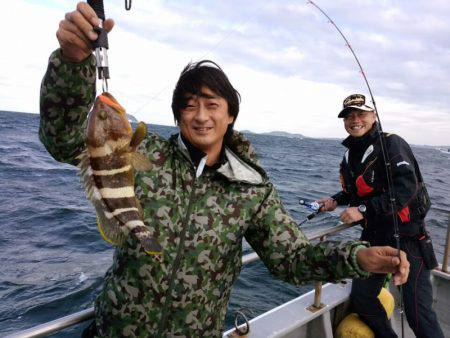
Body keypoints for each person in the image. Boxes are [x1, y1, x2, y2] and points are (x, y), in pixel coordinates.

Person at [39, 3, 409, 337]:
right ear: (178, 115)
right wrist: (72, 65)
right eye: (189, 106)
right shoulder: (142, 152)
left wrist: (357, 258)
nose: (200, 116)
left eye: (212, 104)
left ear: (230, 114)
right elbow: (65, 141)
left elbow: (291, 259)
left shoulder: (251, 187)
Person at [317, 93, 443, 338]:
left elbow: (407, 187)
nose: (355, 120)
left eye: (361, 114)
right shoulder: (350, 154)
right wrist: (335, 201)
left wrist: (363, 210)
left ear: (373, 116)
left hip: (409, 239)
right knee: (363, 299)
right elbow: (354, 190)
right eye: (349, 116)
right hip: (374, 237)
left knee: (418, 315)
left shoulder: (392, 143)